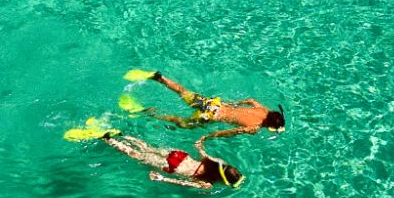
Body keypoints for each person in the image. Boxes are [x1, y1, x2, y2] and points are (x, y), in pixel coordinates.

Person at [64, 119, 245, 191]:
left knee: (146, 146)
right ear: (225, 181)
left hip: (180, 155)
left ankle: (119, 134)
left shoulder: (219, 163)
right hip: (175, 167)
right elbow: (183, 182)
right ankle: (105, 138)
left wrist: (199, 146)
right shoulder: (208, 185)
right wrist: (162, 179)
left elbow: (202, 151)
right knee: (136, 155)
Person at [120, 69, 285, 144]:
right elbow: (230, 132)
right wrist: (210, 136)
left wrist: (235, 104)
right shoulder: (254, 128)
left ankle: (159, 78)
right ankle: (149, 112)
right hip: (209, 116)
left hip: (213, 104)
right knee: (182, 123)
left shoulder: (263, 109)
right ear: (269, 125)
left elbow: (251, 100)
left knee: (183, 91)